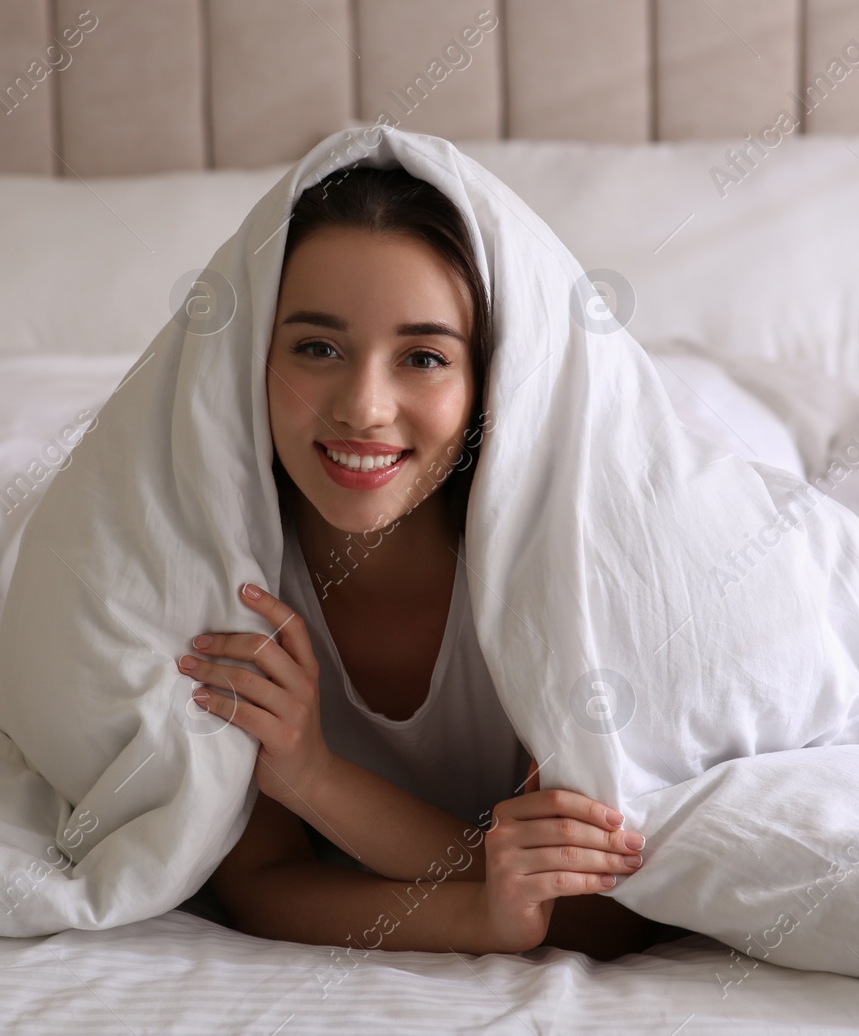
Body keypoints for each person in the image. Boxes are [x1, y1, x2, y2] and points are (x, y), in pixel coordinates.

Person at [180, 165, 663, 958]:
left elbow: (614, 909)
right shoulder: (227, 565)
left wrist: (320, 781)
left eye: (425, 357)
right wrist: (480, 915)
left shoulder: (558, 573)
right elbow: (259, 878)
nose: (363, 407)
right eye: (317, 346)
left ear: (488, 379)